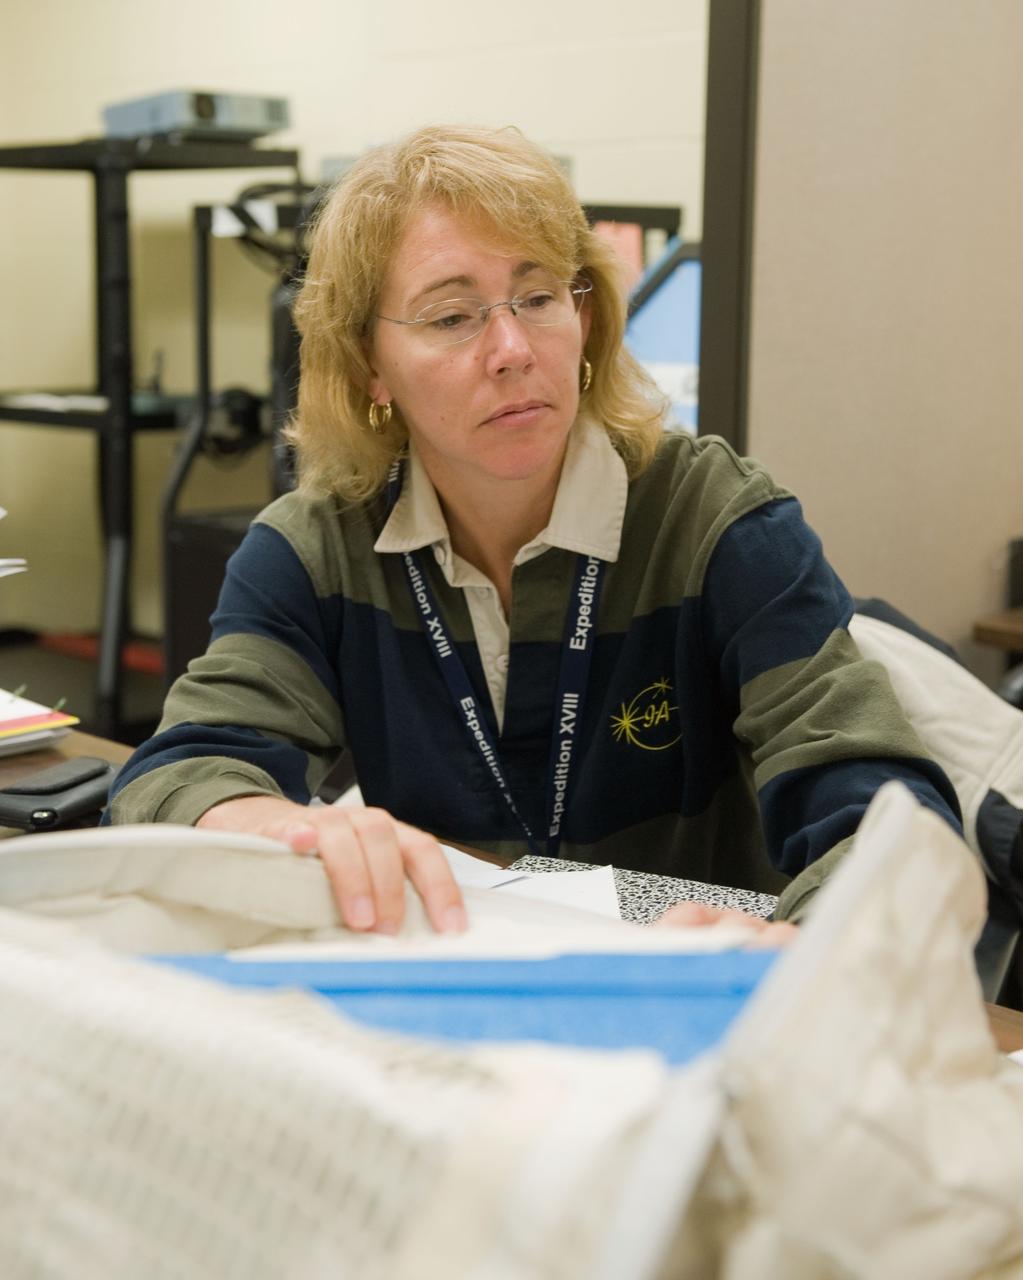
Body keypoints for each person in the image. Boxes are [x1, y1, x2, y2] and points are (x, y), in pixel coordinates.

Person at [107, 124, 961, 937]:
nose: (513, 347)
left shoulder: (714, 520)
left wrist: (821, 943)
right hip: (463, 992)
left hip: (698, 989)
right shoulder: (315, 547)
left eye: (538, 296)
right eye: (452, 316)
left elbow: (888, 817)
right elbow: (178, 772)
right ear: (369, 364)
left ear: (583, 318)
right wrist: (263, 823)